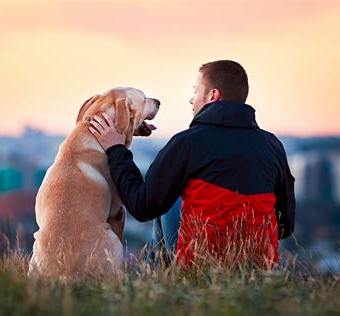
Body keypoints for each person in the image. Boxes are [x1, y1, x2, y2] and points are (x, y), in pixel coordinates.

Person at [88, 60, 295, 269]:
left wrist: (116, 149)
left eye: (196, 92)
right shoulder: (272, 146)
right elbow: (285, 225)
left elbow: (142, 206)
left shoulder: (187, 143)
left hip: (200, 264)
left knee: (167, 201)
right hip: (258, 267)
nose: (191, 100)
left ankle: (157, 283)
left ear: (212, 96)